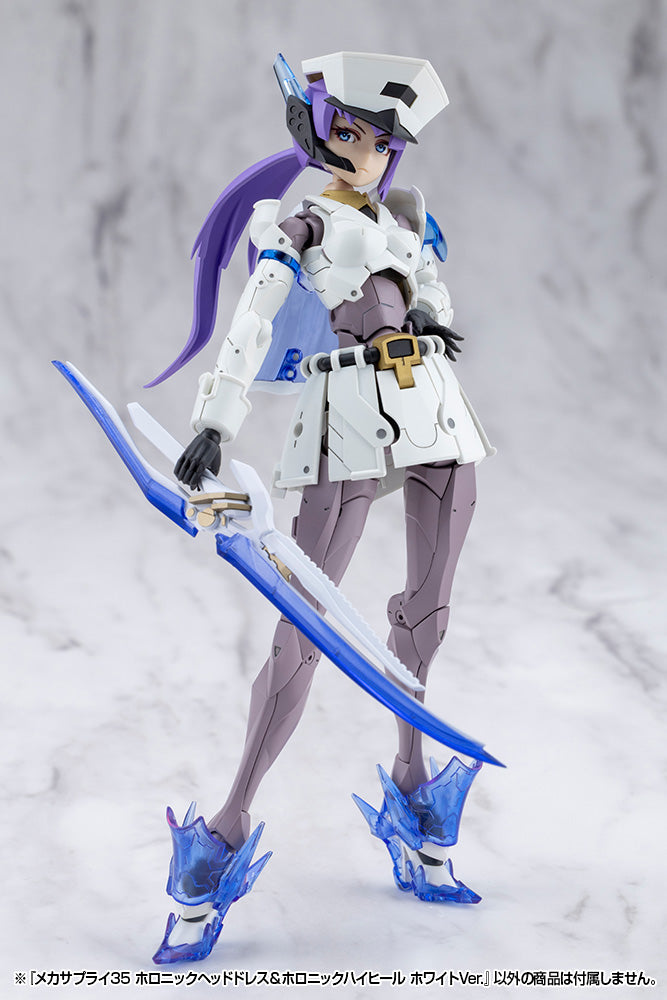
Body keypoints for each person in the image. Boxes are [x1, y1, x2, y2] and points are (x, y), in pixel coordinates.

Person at [149, 51, 494, 965]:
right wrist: (215, 421)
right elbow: (254, 319)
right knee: (302, 622)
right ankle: (223, 833)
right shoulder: (298, 222)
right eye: (349, 133)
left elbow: (429, 286)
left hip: (431, 401)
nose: (366, 153)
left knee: (428, 611)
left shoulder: (407, 217)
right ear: (315, 129)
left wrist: (430, 312)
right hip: (343, 408)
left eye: (381, 140)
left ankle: (413, 792)